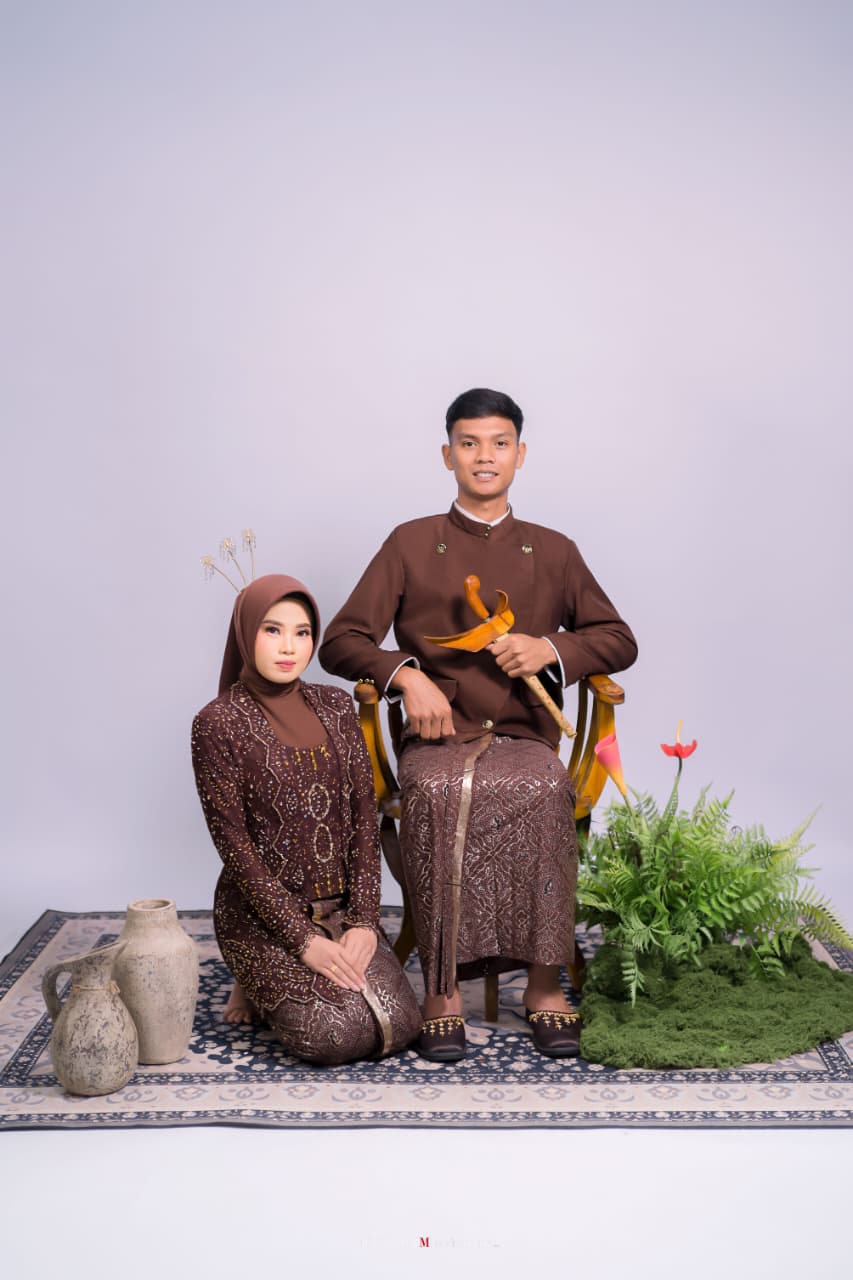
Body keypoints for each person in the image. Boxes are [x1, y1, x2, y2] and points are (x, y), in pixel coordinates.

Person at [319, 388, 637, 1061]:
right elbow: (341, 640)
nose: (483, 456)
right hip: (436, 738)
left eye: (498, 444)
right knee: (435, 792)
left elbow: (618, 638)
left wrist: (549, 648)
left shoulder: (554, 550)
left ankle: (545, 986)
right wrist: (404, 675)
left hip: (525, 734)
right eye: (469, 444)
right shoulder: (409, 542)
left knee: (544, 789)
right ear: (447, 455)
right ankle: (442, 992)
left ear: (520, 455)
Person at [191, 573, 421, 1065]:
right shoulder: (217, 724)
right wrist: (303, 942)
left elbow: (365, 818)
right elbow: (235, 849)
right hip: (261, 918)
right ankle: (248, 976)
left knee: (402, 1025)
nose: (288, 647)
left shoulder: (336, 706)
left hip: (341, 908)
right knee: (334, 1038)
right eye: (272, 630)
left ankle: (272, 977)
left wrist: (364, 922)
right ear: (245, 634)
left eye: (302, 632)